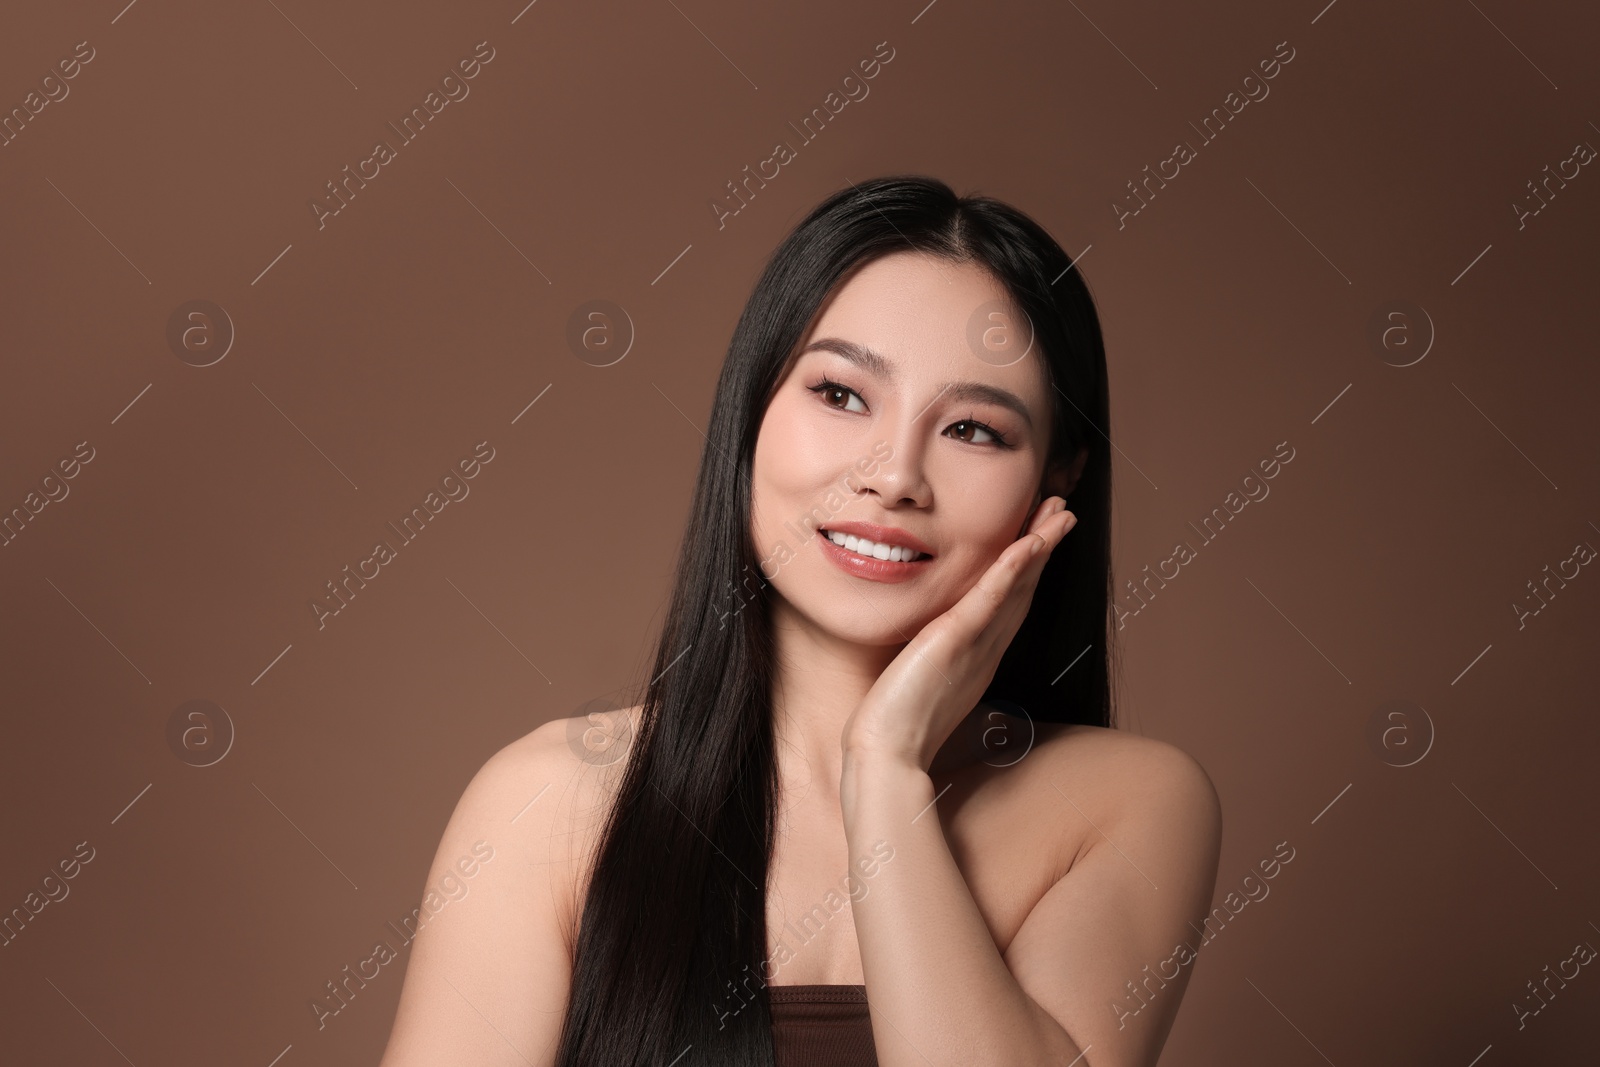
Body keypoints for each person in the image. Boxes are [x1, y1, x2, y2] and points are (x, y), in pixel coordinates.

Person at [378, 175, 1222, 1067]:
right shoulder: (549, 805)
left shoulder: (1125, 805)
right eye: (844, 395)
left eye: (973, 429)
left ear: (1058, 481)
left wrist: (885, 768)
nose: (895, 475)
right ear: (751, 414)